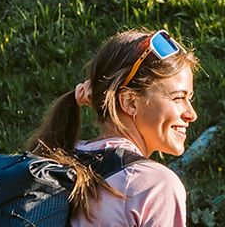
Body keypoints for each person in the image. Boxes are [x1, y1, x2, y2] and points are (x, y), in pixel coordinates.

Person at [27, 28, 199, 227]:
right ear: (130, 102)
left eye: (190, 98)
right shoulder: (154, 186)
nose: (191, 114)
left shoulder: (57, 164)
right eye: (178, 98)